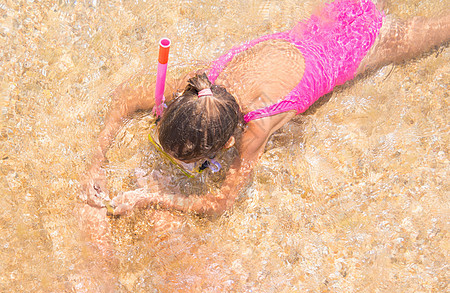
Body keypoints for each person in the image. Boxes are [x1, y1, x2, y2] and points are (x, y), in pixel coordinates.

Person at [83, 0, 449, 216]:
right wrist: (95, 163)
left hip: (364, 46)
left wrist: (150, 198)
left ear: (228, 145)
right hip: (336, 16)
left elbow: (220, 203)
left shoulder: (255, 131)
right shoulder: (204, 85)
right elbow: (125, 98)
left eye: (195, 165)